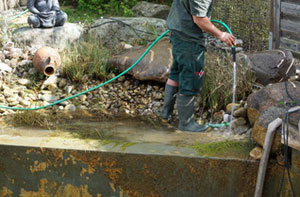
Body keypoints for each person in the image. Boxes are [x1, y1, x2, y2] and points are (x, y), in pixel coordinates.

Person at [161, 0, 236, 132]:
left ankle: (166, 114)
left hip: (178, 34)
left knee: (176, 73)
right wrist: (221, 34)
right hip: (189, 40)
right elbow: (199, 20)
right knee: (191, 78)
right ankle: (186, 124)